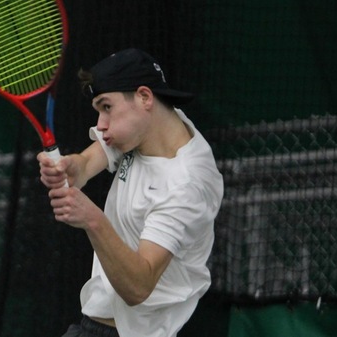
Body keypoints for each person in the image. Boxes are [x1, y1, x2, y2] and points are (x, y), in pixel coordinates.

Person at [37, 48, 224, 337]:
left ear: (145, 97)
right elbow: (88, 162)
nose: (100, 124)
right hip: (93, 325)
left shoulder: (185, 185)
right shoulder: (152, 125)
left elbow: (138, 287)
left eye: (106, 107)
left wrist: (93, 220)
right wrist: (75, 166)